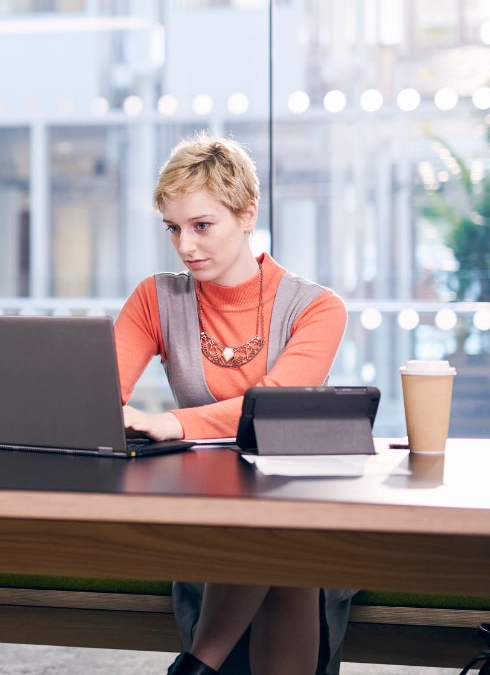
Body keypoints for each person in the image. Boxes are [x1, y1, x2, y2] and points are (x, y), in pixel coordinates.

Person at [113, 133, 349, 675]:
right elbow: (100, 394)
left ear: (247, 215)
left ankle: (197, 662)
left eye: (202, 226)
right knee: (284, 554)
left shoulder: (316, 307)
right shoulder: (157, 297)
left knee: (284, 534)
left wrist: (171, 422)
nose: (185, 246)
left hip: (303, 501)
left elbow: (271, 409)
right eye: (173, 228)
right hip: (211, 502)